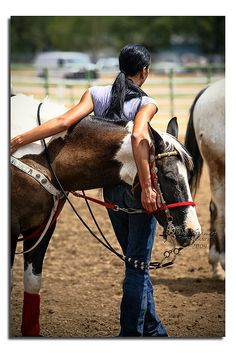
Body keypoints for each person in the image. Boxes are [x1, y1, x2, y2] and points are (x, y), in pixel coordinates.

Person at [11, 44, 168, 337]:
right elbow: (138, 136)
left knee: (135, 262)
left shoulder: (97, 93)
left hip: (110, 193)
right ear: (144, 71)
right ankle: (136, 335)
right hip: (133, 187)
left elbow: (62, 122)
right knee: (138, 264)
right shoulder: (147, 103)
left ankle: (153, 329)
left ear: (121, 67)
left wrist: (20, 138)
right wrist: (147, 187)